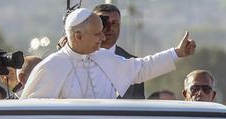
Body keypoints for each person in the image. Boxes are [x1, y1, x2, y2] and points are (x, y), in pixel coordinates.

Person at [22, 7, 195, 99]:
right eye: (97, 33)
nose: (103, 37)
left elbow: (142, 68)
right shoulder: (51, 67)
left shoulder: (105, 58)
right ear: (78, 36)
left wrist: (176, 53)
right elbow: (30, 113)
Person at [93, 3, 145, 99]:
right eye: (104, 23)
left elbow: (138, 108)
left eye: (114, 23)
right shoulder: (80, 58)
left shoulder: (133, 64)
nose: (110, 28)